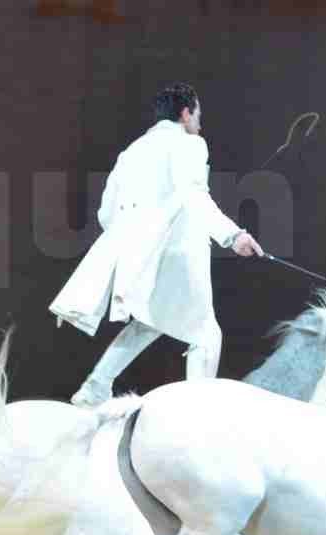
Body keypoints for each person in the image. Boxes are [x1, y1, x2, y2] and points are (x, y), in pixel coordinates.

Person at [50, 82, 264, 407]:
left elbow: (107, 212)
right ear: (185, 112)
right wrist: (233, 236)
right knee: (206, 333)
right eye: (198, 115)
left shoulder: (132, 151)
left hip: (140, 255)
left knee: (150, 321)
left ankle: (96, 386)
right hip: (178, 253)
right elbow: (194, 196)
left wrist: (136, 242)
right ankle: (198, 413)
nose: (200, 124)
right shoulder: (190, 144)